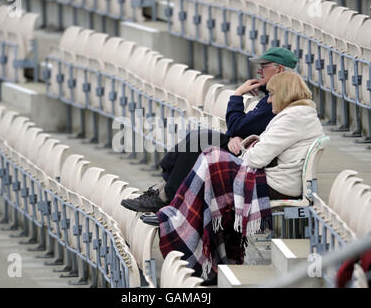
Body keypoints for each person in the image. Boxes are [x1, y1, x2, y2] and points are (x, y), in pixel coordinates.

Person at [156, 71, 325, 284]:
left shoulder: (293, 118)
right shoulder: (300, 114)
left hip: (276, 184)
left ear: (284, 94)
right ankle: (189, 227)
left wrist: (248, 146)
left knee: (212, 158)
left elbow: (255, 158)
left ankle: (179, 222)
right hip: (276, 179)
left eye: (272, 94)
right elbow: (261, 150)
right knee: (211, 160)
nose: (269, 100)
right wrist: (252, 144)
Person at [122, 47, 299, 213]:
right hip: (244, 146)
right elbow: (241, 127)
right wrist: (234, 134)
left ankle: (167, 197)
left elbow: (238, 126)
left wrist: (237, 96)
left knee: (200, 142)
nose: (259, 71)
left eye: (264, 66)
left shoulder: (276, 102)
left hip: (249, 156)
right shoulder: (272, 97)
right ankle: (162, 192)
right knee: (199, 137)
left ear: (280, 70)